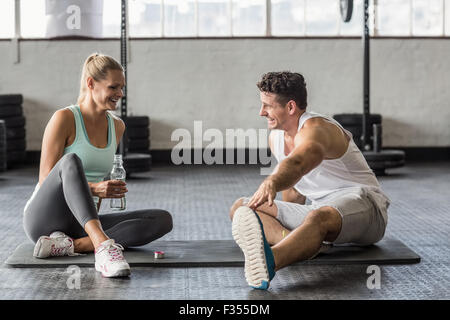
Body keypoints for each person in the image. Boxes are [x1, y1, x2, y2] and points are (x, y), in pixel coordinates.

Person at [229, 71, 390, 290]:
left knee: (318, 217)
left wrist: (272, 181)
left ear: (291, 107)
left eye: (268, 106)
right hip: (322, 209)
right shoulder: (276, 137)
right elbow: (296, 191)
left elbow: (299, 163)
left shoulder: (317, 129)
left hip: (366, 208)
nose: (261, 112)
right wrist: (292, 227)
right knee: (241, 207)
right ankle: (297, 241)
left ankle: (270, 262)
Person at [23, 53, 173, 278]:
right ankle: (102, 247)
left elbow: (100, 180)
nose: (120, 94)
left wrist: (102, 192)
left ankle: (72, 245)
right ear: (91, 83)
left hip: (81, 223)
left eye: (122, 88)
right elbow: (46, 178)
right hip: (44, 218)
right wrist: (94, 188)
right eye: (114, 87)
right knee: (71, 161)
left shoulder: (117, 127)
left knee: (161, 219)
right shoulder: (64, 118)